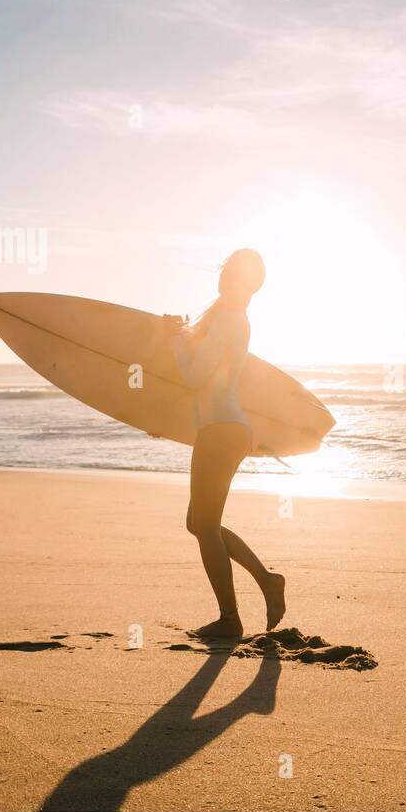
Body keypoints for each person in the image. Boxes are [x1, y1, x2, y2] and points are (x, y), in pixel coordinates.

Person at [164, 249, 284, 638]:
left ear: (244, 283)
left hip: (221, 430)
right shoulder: (235, 318)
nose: (222, 279)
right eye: (223, 271)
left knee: (205, 525)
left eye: (231, 274)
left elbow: (199, 376)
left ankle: (231, 618)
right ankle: (267, 582)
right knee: (198, 523)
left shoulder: (230, 319)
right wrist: (157, 419)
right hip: (224, 428)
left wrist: (175, 341)